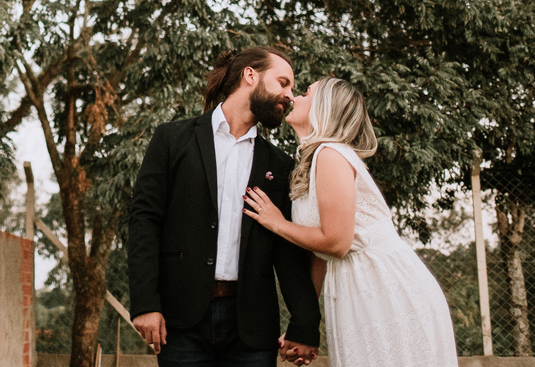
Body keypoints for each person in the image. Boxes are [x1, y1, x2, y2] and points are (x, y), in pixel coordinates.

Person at [242, 76, 458, 367]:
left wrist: (277, 223)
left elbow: (336, 243)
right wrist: (303, 324)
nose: (295, 97)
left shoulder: (331, 154)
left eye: (306, 93)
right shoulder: (313, 159)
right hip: (351, 286)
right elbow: (321, 253)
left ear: (324, 107)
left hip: (384, 288)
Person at [128, 47, 321, 366]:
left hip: (252, 329)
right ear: (250, 75)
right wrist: (145, 303)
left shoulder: (280, 164)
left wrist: (305, 325)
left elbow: (288, 251)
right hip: (181, 321)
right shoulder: (172, 139)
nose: (289, 95)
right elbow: (144, 221)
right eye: (283, 83)